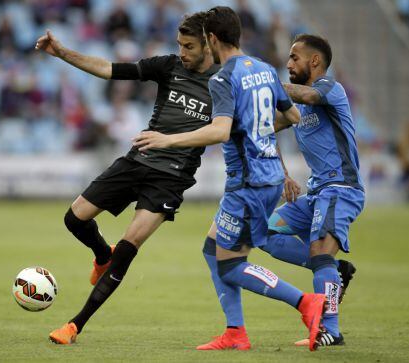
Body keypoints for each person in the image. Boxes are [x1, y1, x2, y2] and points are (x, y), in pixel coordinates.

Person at [134, 6, 326, 352]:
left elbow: (221, 131)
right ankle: (235, 331)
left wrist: (166, 139)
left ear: (211, 39)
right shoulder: (265, 69)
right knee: (213, 250)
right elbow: (293, 114)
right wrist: (259, 135)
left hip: (248, 184)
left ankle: (305, 303)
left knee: (232, 265)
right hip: (264, 178)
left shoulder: (223, 78)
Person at [34, 12, 221, 344]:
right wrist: (63, 53)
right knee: (74, 218)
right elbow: (109, 70)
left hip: (171, 178)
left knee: (128, 247)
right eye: (179, 45)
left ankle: (74, 325)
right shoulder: (168, 66)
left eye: (189, 46)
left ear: (209, 43)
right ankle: (101, 255)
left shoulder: (224, 80)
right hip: (137, 160)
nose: (182, 52)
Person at [260, 34, 365, 347]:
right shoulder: (299, 107)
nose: (289, 64)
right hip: (317, 194)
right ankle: (333, 270)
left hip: (340, 190)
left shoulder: (330, 90)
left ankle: (330, 329)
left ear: (314, 61)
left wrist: (265, 84)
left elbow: (306, 96)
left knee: (320, 254)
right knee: (265, 232)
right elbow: (267, 127)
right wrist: (283, 173)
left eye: (295, 58)